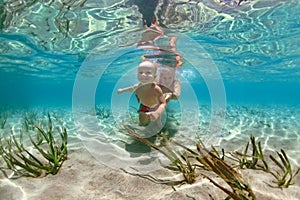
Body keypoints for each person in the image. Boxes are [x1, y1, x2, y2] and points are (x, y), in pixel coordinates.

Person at [118, 60, 166, 126]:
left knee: (157, 124)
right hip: (144, 105)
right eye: (140, 72)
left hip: (155, 106)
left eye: (148, 73)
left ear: (154, 76)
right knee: (142, 122)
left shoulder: (156, 89)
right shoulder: (138, 86)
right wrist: (122, 90)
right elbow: (131, 89)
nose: (143, 75)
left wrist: (157, 112)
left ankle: (158, 120)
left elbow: (163, 103)